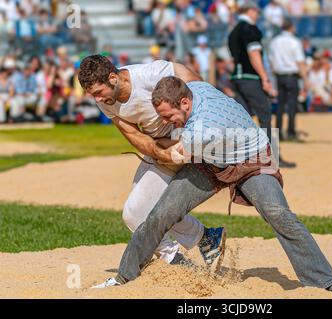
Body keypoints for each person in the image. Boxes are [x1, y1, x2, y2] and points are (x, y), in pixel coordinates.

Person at [94, 76, 332, 296]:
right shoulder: (196, 88)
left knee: (279, 215)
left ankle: (326, 282)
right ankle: (124, 277)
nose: (168, 121)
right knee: (160, 214)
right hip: (211, 162)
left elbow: (172, 154)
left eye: (169, 116)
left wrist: (142, 140)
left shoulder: (202, 128)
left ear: (184, 102)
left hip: (252, 161)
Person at [77, 55, 226, 276]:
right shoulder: (107, 102)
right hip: (160, 147)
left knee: (134, 212)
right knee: (143, 210)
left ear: (113, 78)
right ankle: (205, 239)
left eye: (98, 92)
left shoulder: (149, 75)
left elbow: (195, 81)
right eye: (92, 95)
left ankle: (175, 261)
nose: (97, 99)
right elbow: (132, 133)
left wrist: (195, 131)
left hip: (184, 141)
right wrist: (160, 152)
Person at [228, 0, 296, 168]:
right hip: (250, 78)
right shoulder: (250, 29)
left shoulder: (233, 31)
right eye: (257, 12)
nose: (258, 15)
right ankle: (270, 157)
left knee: (243, 118)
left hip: (237, 77)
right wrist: (265, 78)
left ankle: (243, 158)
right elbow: (254, 54)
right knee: (265, 115)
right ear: (251, 11)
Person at [269, 18, 307, 141]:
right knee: (292, 105)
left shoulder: (274, 42)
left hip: (280, 76)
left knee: (280, 105)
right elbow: (300, 62)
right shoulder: (294, 42)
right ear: (291, 28)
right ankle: (290, 132)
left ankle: (279, 133)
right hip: (291, 75)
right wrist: (305, 79)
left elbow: (271, 60)